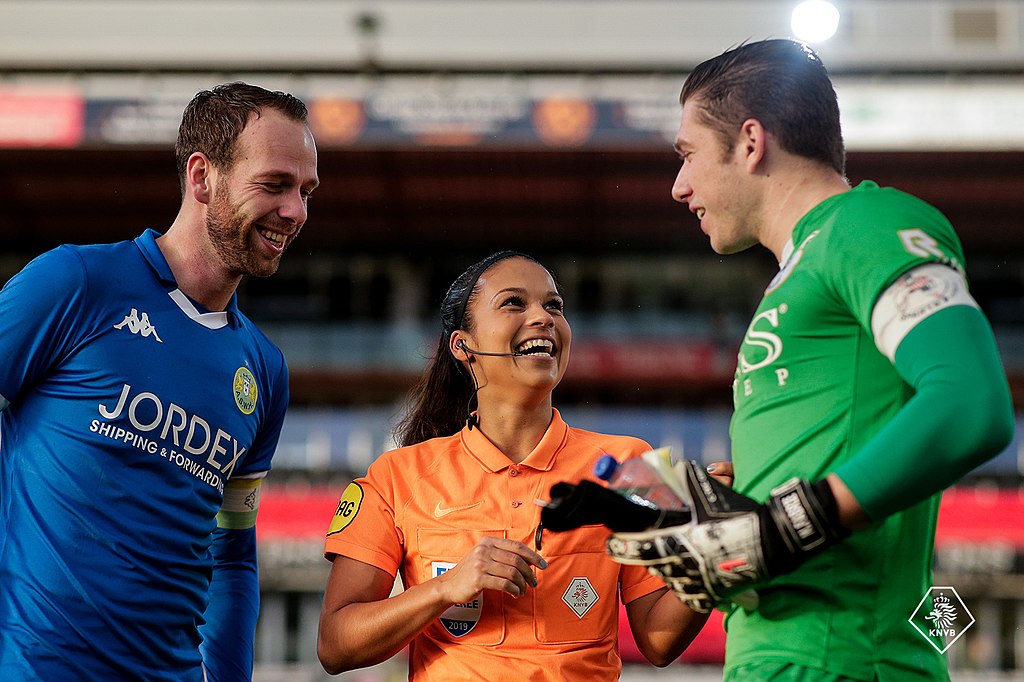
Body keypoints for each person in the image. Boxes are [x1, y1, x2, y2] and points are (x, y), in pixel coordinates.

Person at [605, 39, 1015, 681]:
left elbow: (972, 403)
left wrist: (789, 523)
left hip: (839, 664)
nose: (679, 186)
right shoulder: (799, 272)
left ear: (749, 142)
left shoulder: (866, 224)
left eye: (687, 155)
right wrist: (751, 501)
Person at [0, 82, 319, 680]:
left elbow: (231, 555)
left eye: (305, 191)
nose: (296, 211)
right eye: (274, 184)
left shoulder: (265, 370)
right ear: (202, 177)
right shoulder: (76, 283)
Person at [317, 251, 707, 680]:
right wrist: (447, 588)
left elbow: (658, 640)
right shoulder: (395, 477)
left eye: (554, 305)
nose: (543, 317)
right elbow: (336, 646)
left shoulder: (630, 462)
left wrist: (709, 552)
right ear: (463, 346)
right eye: (514, 303)